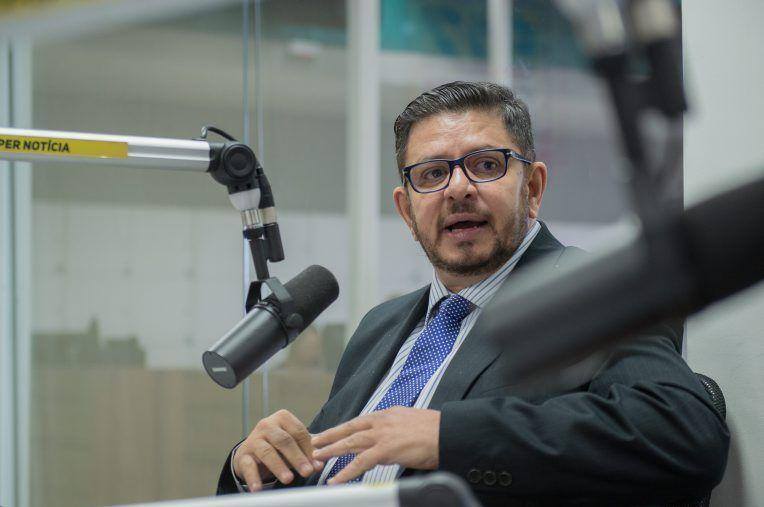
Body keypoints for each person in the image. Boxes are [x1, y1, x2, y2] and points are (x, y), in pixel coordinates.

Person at [216, 81, 729, 505]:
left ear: (532, 189)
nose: (458, 188)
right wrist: (256, 465)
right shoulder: (381, 326)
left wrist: (446, 437)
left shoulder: (595, 294)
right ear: (406, 209)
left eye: (486, 165)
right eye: (432, 174)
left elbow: (682, 434)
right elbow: (331, 468)